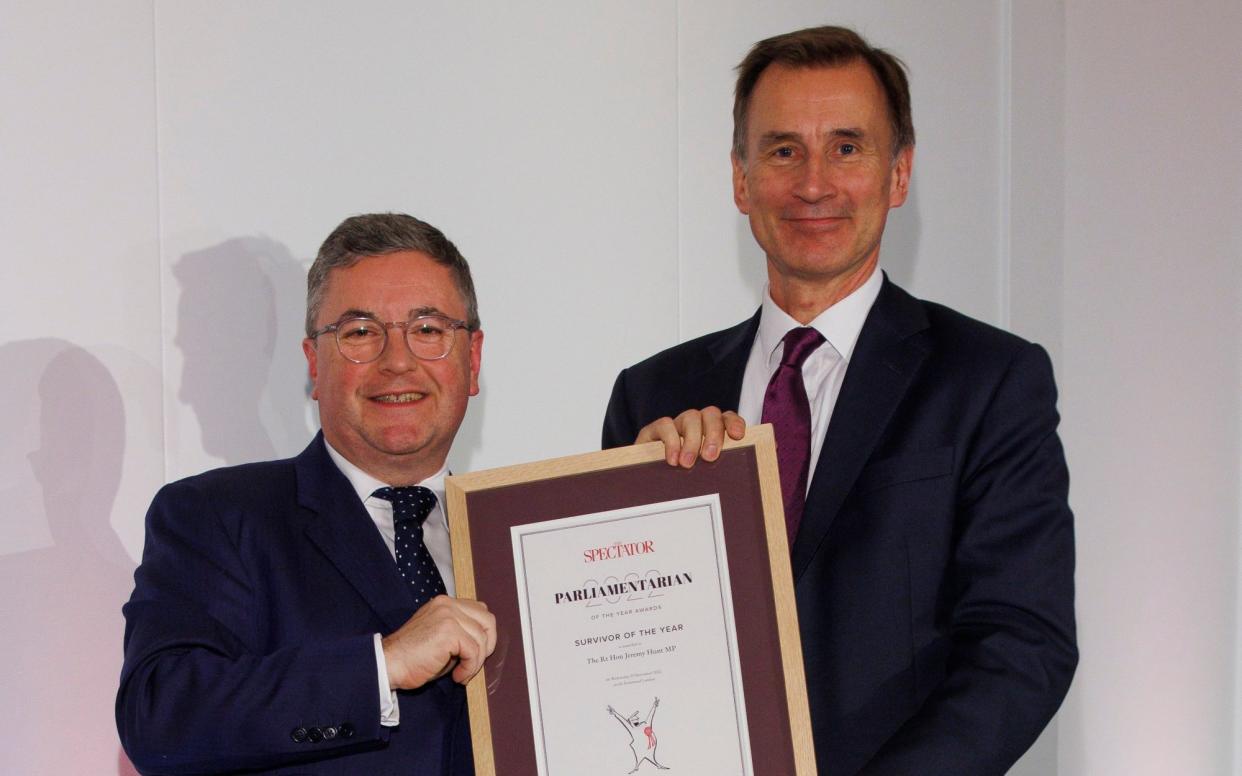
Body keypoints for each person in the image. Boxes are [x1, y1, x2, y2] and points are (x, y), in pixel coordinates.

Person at [602, 26, 1076, 775]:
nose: (814, 183)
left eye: (847, 147)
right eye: (783, 149)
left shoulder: (989, 381)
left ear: (898, 174)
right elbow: (622, 645)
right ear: (740, 177)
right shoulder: (651, 398)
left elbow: (1021, 643)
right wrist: (649, 494)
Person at [117, 213, 497, 775]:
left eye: (428, 329)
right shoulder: (217, 517)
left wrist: (661, 486)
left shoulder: (524, 531)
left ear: (473, 359)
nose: (398, 360)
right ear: (315, 364)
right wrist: (379, 667)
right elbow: (161, 717)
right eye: (361, 332)